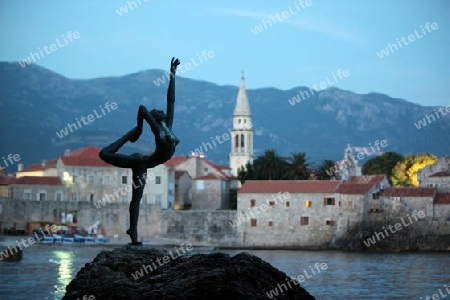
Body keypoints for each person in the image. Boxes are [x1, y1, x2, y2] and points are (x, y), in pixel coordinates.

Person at [99, 57, 180, 244]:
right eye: (158, 110)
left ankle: (132, 232)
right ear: (155, 117)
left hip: (144, 163)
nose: (162, 110)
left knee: (137, 198)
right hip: (139, 162)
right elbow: (142, 108)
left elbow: (171, 101)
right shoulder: (158, 129)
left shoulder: (168, 127)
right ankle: (128, 136)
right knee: (104, 155)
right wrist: (139, 129)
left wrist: (173, 74)